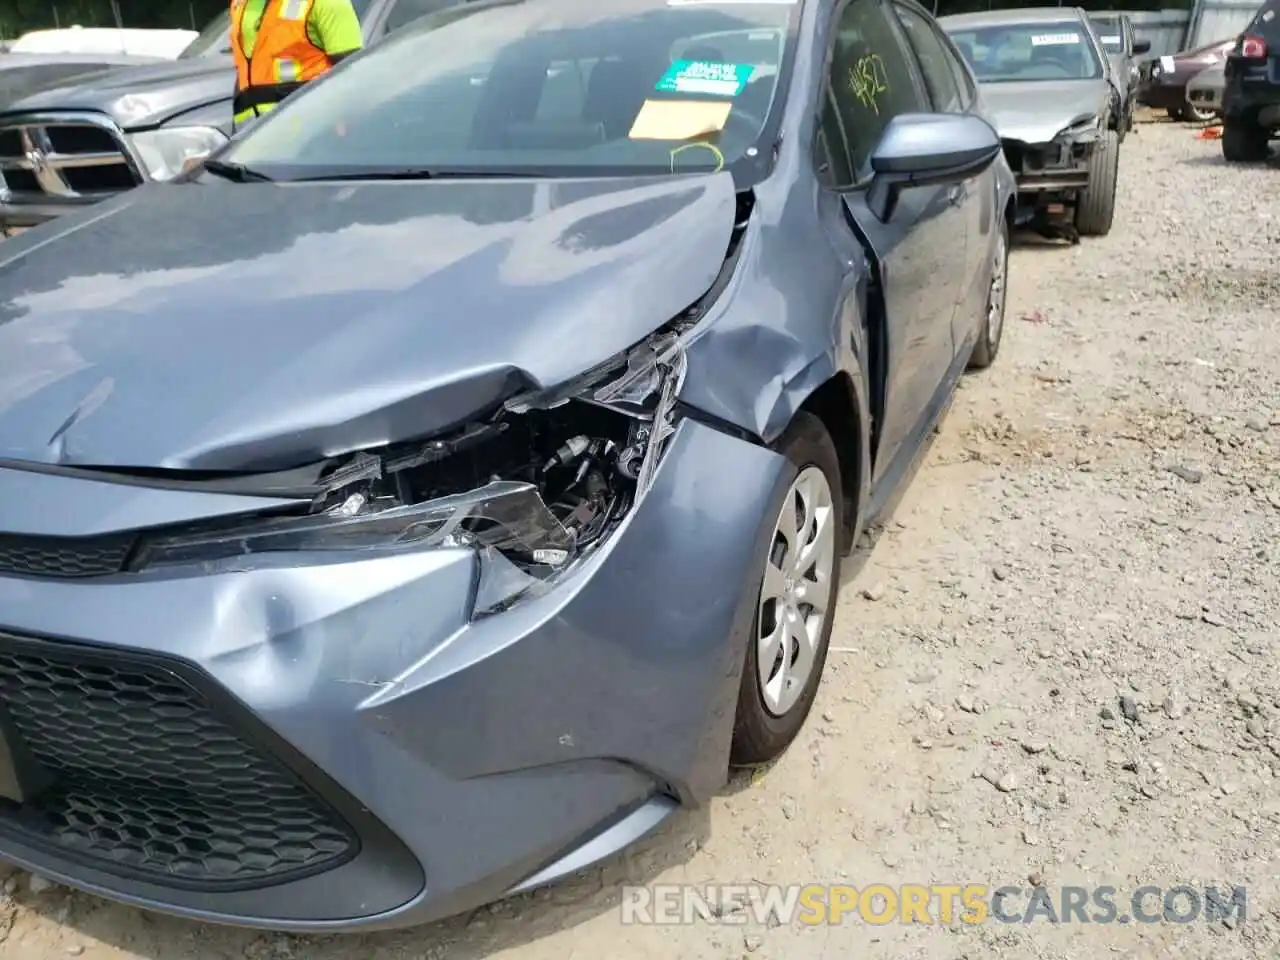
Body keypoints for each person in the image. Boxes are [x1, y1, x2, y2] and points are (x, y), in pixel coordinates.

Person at [230, 0, 363, 130]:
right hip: (255, 141)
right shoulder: (240, 4)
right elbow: (245, 73)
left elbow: (353, 75)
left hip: (313, 136)